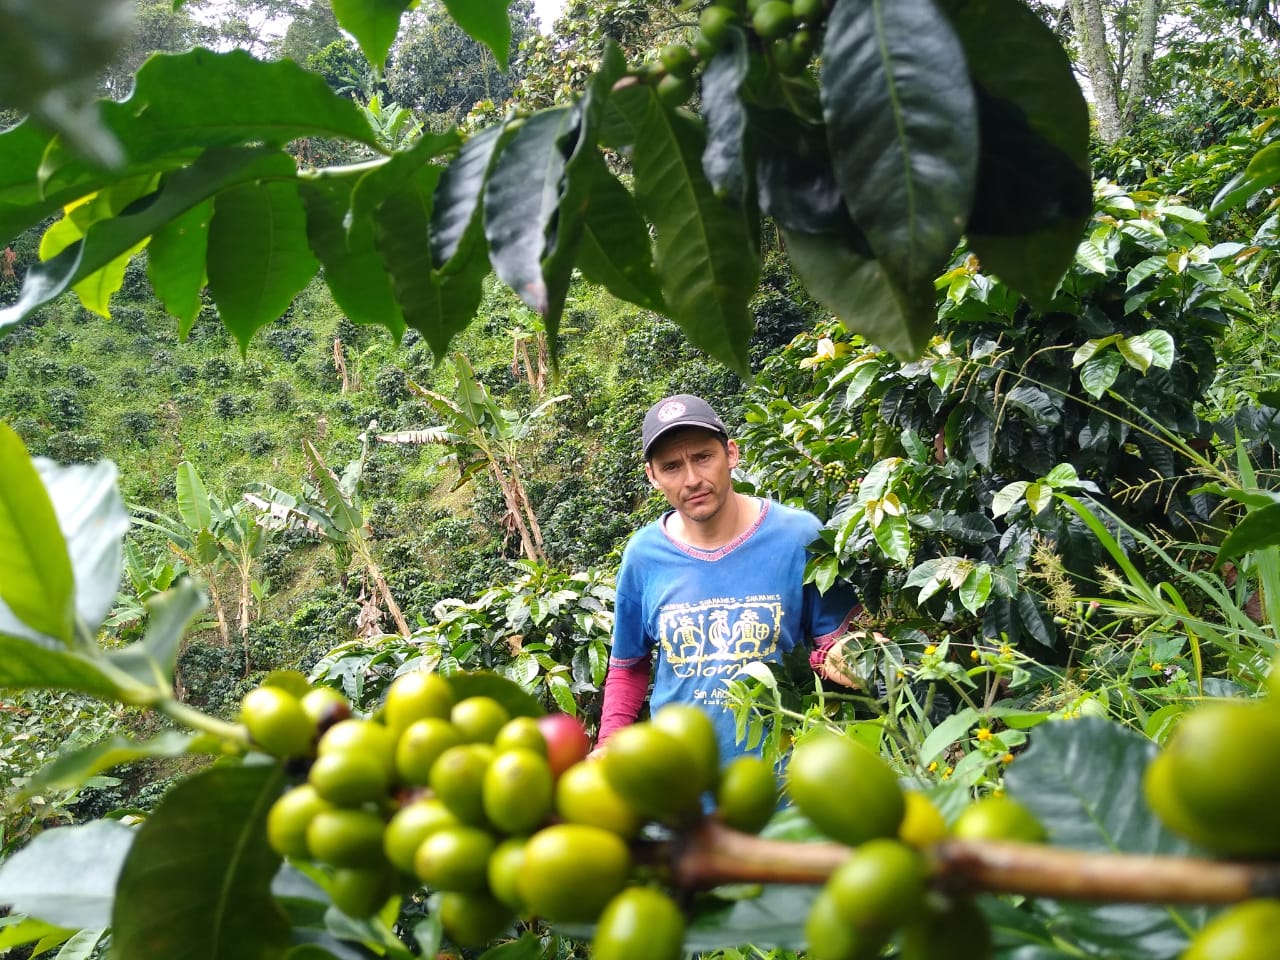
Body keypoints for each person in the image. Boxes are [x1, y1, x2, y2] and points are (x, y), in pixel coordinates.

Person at [595, 393, 862, 765]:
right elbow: (629, 665)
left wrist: (854, 653)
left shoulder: (798, 536)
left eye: (703, 457)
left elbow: (833, 644)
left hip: (787, 782)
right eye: (671, 467)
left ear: (731, 454)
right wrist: (609, 740)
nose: (692, 480)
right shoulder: (643, 556)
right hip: (683, 787)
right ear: (652, 477)